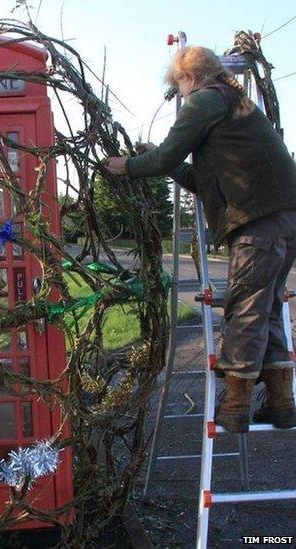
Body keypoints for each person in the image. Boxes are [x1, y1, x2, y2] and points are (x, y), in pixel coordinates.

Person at [106, 46, 296, 433]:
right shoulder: (234, 108)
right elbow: (202, 183)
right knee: (268, 308)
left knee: (244, 311)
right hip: (286, 220)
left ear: (187, 78)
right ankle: (281, 403)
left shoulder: (206, 100)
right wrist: (166, 162)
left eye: (179, 88)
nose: (181, 96)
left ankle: (236, 406)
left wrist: (126, 166)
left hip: (259, 225)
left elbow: (160, 159)